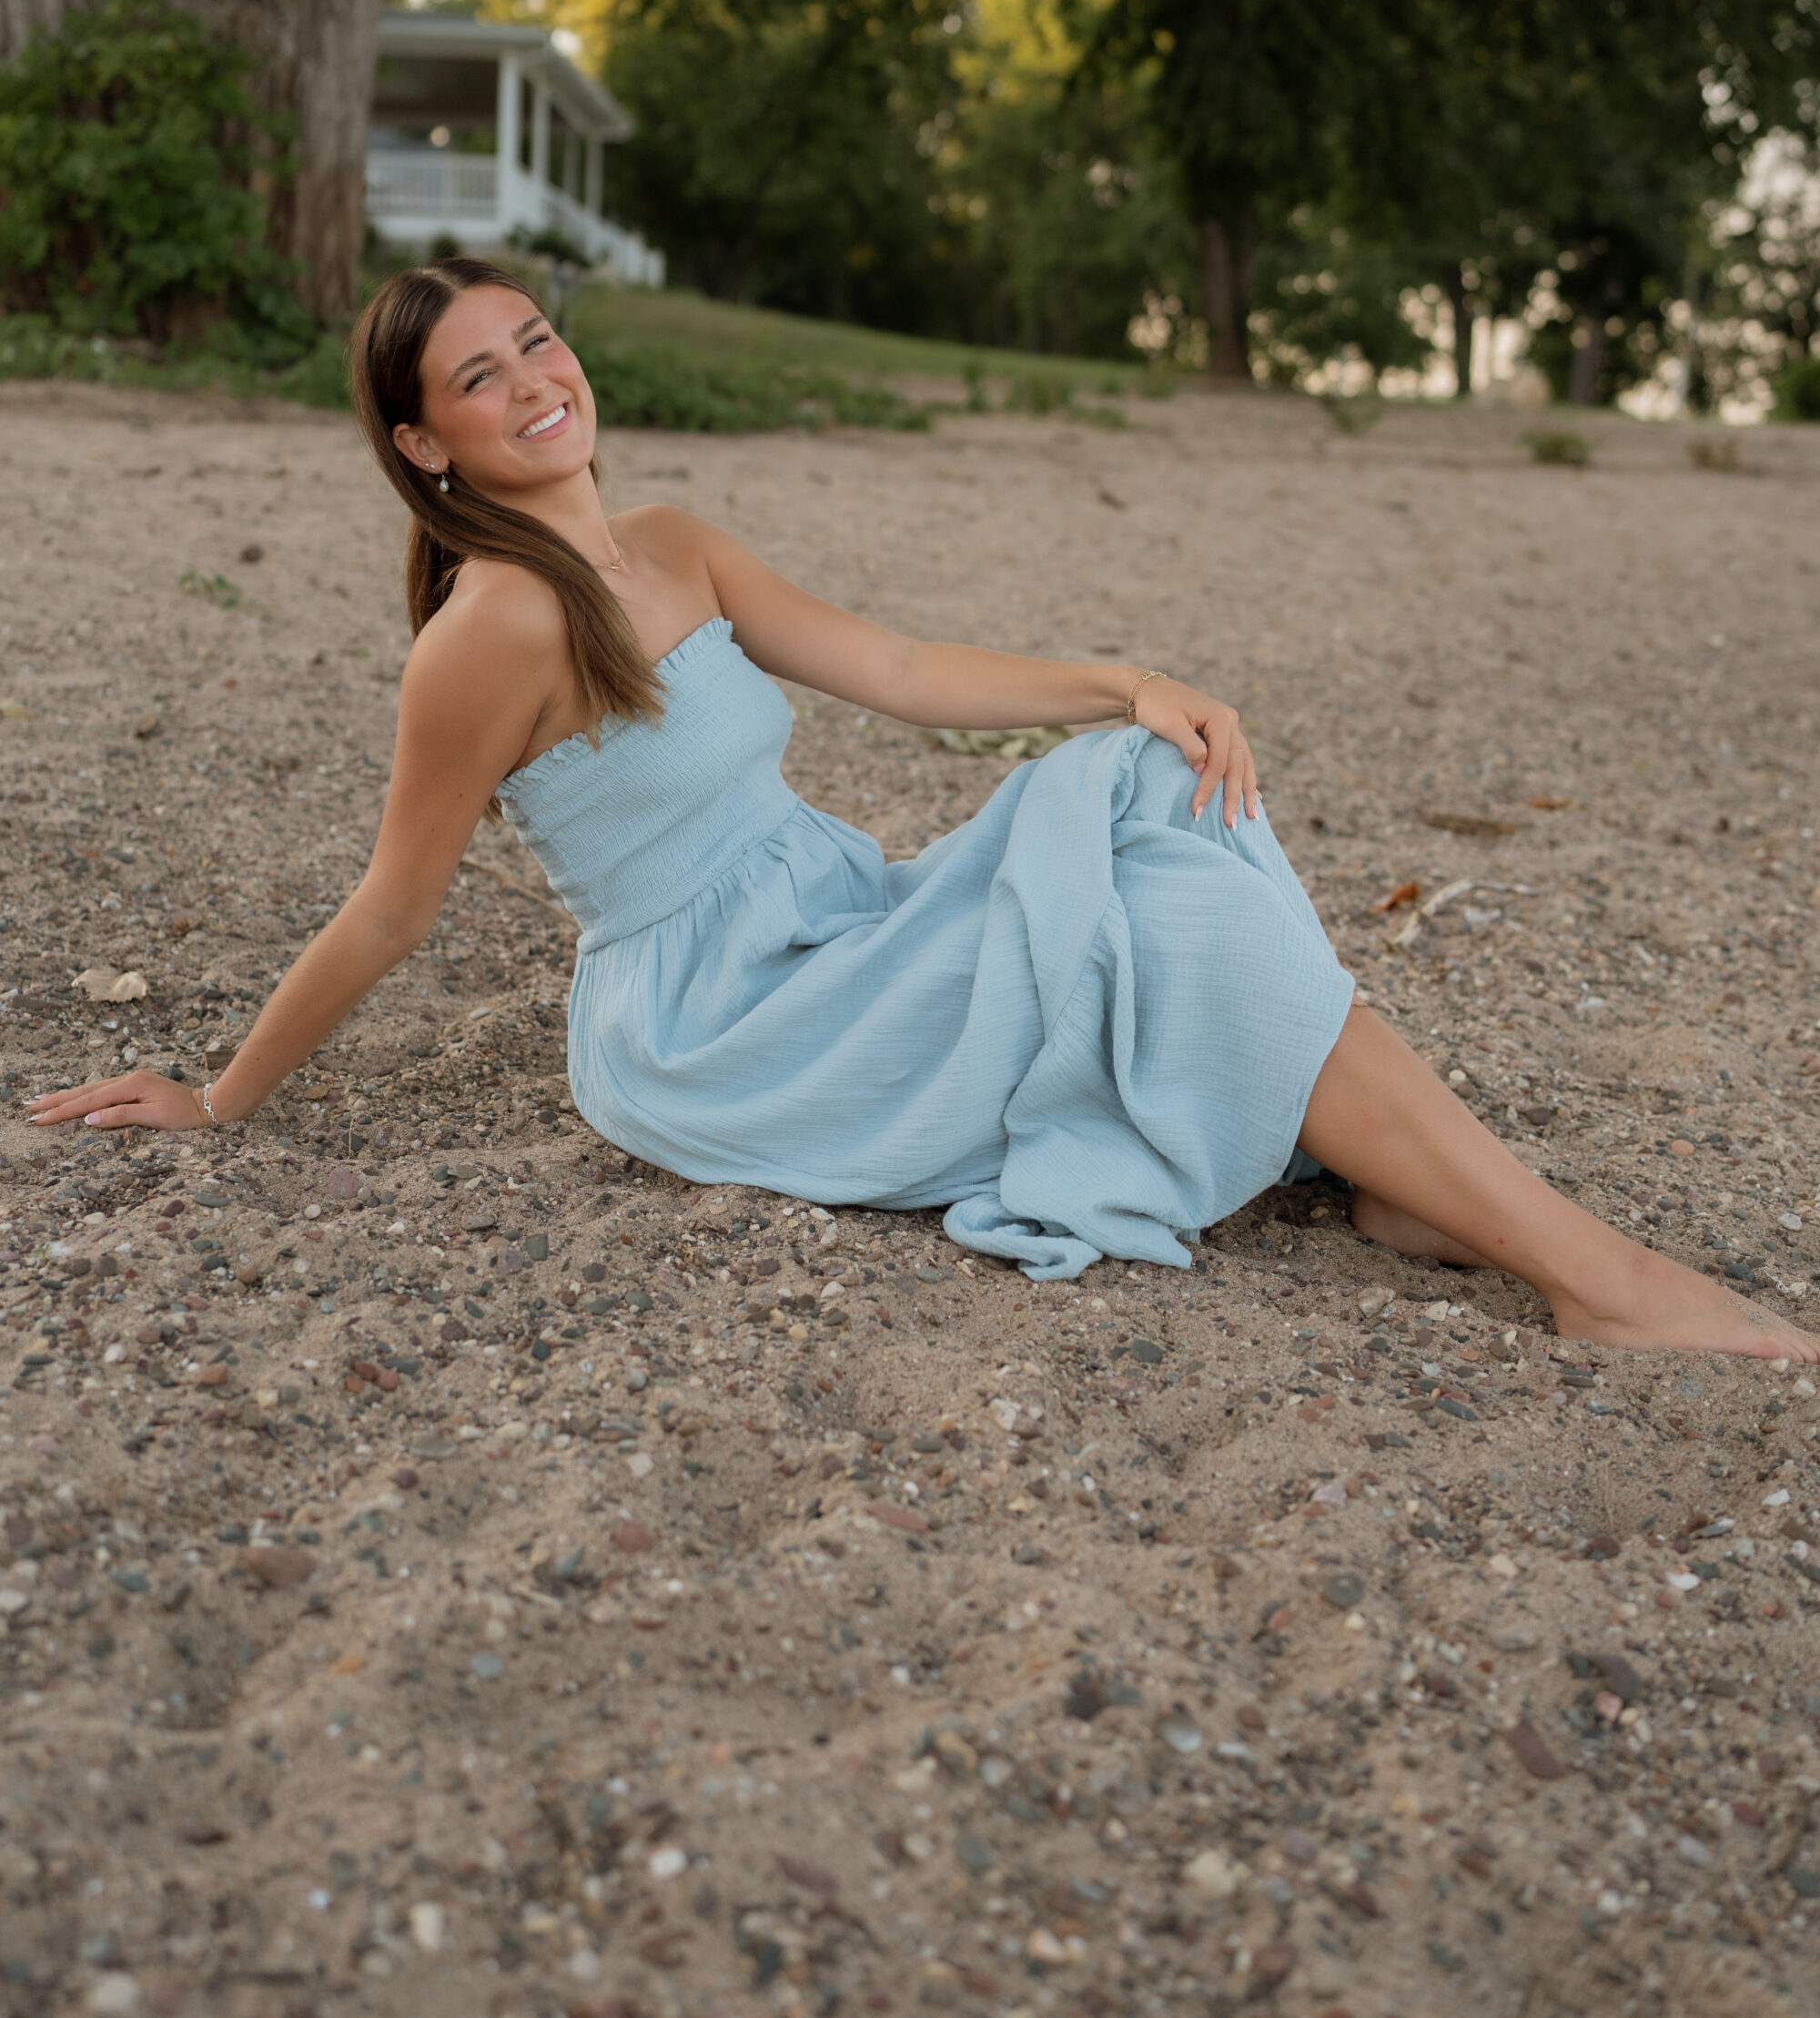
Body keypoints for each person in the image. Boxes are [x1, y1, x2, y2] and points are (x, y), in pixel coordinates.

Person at [28, 259, 1816, 1362]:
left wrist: (1123, 676)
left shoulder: (677, 547)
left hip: (831, 912)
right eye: (475, 380)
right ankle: (1597, 1279)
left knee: (1145, 791)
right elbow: (388, 914)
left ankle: (1393, 1179)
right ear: (424, 447)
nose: (530, 383)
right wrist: (219, 1096)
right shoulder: (482, 638)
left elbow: (893, 667)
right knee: (1166, 916)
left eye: (536, 341)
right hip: (715, 1019)